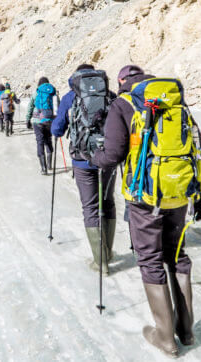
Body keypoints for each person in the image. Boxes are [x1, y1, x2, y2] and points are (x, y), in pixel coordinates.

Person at [92, 65, 201, 356]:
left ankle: (165, 337)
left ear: (122, 81)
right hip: (179, 193)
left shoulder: (123, 104)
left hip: (144, 197)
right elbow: (198, 148)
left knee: (150, 260)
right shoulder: (174, 99)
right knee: (177, 255)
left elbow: (113, 154)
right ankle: (186, 331)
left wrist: (95, 157)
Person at [51, 64, 117, 273]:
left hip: (82, 161)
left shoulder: (70, 97)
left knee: (90, 207)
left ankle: (101, 262)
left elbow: (57, 129)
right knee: (108, 202)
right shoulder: (109, 95)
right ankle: (108, 252)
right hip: (107, 158)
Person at [25, 77, 57, 174]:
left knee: (40, 142)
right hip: (49, 121)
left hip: (37, 121)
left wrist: (28, 119)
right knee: (48, 140)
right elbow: (57, 108)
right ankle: (50, 165)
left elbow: (30, 106)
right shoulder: (53, 93)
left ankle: (44, 169)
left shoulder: (36, 93)